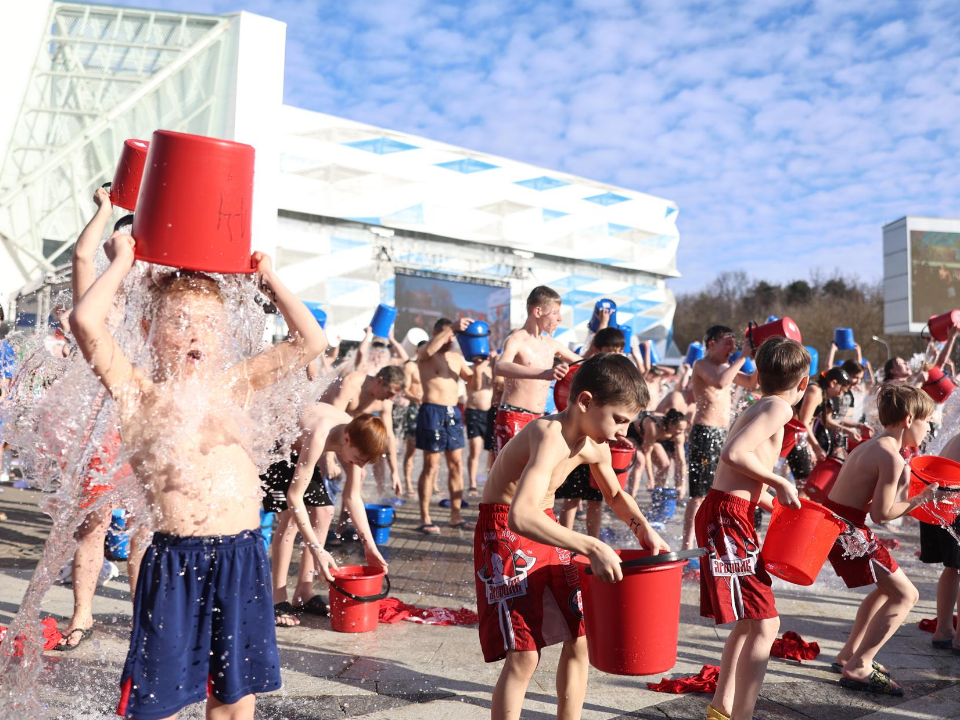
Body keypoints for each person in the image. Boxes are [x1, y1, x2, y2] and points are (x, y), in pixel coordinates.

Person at [70, 232, 327, 720]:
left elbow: (311, 341)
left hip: (243, 553)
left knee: (234, 699)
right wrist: (124, 261)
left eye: (210, 324)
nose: (196, 334)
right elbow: (86, 321)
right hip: (176, 561)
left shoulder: (237, 384)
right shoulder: (137, 392)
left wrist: (269, 278)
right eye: (179, 321)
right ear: (149, 326)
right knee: (156, 702)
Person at [476, 353, 669, 719]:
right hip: (503, 531)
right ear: (585, 401)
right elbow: (519, 515)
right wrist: (593, 545)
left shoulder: (594, 445)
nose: (623, 432)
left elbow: (614, 494)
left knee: (579, 637)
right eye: (619, 419)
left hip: (543, 521)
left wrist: (644, 529)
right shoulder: (548, 434)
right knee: (524, 654)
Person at [55, 189, 150, 650]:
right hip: (100, 428)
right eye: (122, 241)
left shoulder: (154, 302)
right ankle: (82, 613)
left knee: (145, 526)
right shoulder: (100, 299)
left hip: (142, 425)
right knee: (91, 525)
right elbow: (80, 254)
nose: (128, 248)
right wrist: (105, 210)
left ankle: (144, 616)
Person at [695, 337, 807, 720]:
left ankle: (722, 708)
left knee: (749, 621)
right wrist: (781, 483)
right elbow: (733, 455)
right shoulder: (777, 406)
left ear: (756, 374)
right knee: (765, 621)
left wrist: (774, 502)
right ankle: (742, 714)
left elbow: (737, 472)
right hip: (727, 517)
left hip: (728, 512)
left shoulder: (761, 404)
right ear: (804, 383)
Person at [824, 384, 943, 695]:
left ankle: (849, 654)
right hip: (850, 532)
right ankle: (859, 665)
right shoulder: (890, 456)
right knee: (907, 596)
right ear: (908, 419)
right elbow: (883, 514)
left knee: (885, 589)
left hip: (839, 526)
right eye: (926, 420)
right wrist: (923, 497)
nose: (929, 427)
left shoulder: (873, 445)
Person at [264, 406, 388, 627]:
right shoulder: (319, 434)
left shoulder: (356, 435)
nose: (360, 466)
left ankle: (304, 592)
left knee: (325, 511)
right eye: (359, 459)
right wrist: (317, 549)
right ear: (346, 440)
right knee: (290, 517)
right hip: (275, 447)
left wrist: (369, 546)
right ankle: (278, 598)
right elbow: (294, 498)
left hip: (301, 452)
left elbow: (352, 498)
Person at [681, 325, 757, 555]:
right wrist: (742, 356)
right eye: (728, 344)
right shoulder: (701, 365)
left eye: (735, 346)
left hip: (723, 434)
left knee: (718, 492)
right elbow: (721, 383)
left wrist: (760, 356)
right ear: (711, 343)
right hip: (704, 432)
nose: (732, 349)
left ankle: (709, 544)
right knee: (698, 495)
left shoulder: (727, 367)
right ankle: (686, 548)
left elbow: (753, 383)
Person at [555, 327, 628, 537]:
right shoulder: (588, 371)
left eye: (619, 350)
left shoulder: (621, 377)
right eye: (609, 350)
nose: (615, 354)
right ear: (597, 350)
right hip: (578, 440)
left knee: (596, 498)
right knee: (572, 497)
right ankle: (564, 542)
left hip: (599, 442)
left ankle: (594, 542)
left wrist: (621, 435)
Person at [493, 286, 580, 457]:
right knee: (509, 479)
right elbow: (500, 367)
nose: (560, 318)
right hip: (513, 416)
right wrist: (544, 373)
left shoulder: (551, 344)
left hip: (540, 419)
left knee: (535, 477)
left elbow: (582, 362)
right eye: (555, 313)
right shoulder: (517, 339)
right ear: (538, 311)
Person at [415, 317, 475, 534]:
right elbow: (425, 352)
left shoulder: (457, 358)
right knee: (431, 466)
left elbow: (473, 381)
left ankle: (455, 516)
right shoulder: (426, 351)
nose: (451, 338)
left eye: (452, 335)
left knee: (457, 465)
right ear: (436, 333)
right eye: (447, 334)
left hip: (453, 412)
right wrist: (451, 326)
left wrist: (481, 360)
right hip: (432, 410)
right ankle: (425, 518)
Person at [921, 432, 960, 656]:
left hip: (943, 508)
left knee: (952, 568)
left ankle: (943, 630)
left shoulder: (956, 436)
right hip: (955, 508)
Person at [625, 408, 688, 499]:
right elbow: (647, 454)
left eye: (683, 429)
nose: (682, 432)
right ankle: (631, 498)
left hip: (650, 441)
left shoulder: (679, 435)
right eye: (679, 429)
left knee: (665, 464)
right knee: (641, 461)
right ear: (670, 424)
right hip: (633, 435)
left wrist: (682, 484)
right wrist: (650, 479)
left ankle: (657, 497)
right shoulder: (654, 426)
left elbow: (681, 460)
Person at [465, 354, 493, 497]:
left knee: (492, 451)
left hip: (489, 413)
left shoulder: (492, 369)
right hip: (474, 412)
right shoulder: (470, 369)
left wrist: (493, 363)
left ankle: (491, 482)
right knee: (475, 449)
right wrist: (479, 367)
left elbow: (499, 385)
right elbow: (475, 385)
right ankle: (472, 484)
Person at [401, 341, 425, 496]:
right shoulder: (410, 366)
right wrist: (416, 399)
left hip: (430, 408)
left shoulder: (433, 365)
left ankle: (432, 483)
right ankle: (408, 483)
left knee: (433, 450)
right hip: (414, 409)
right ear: (417, 350)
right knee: (411, 448)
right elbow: (403, 390)